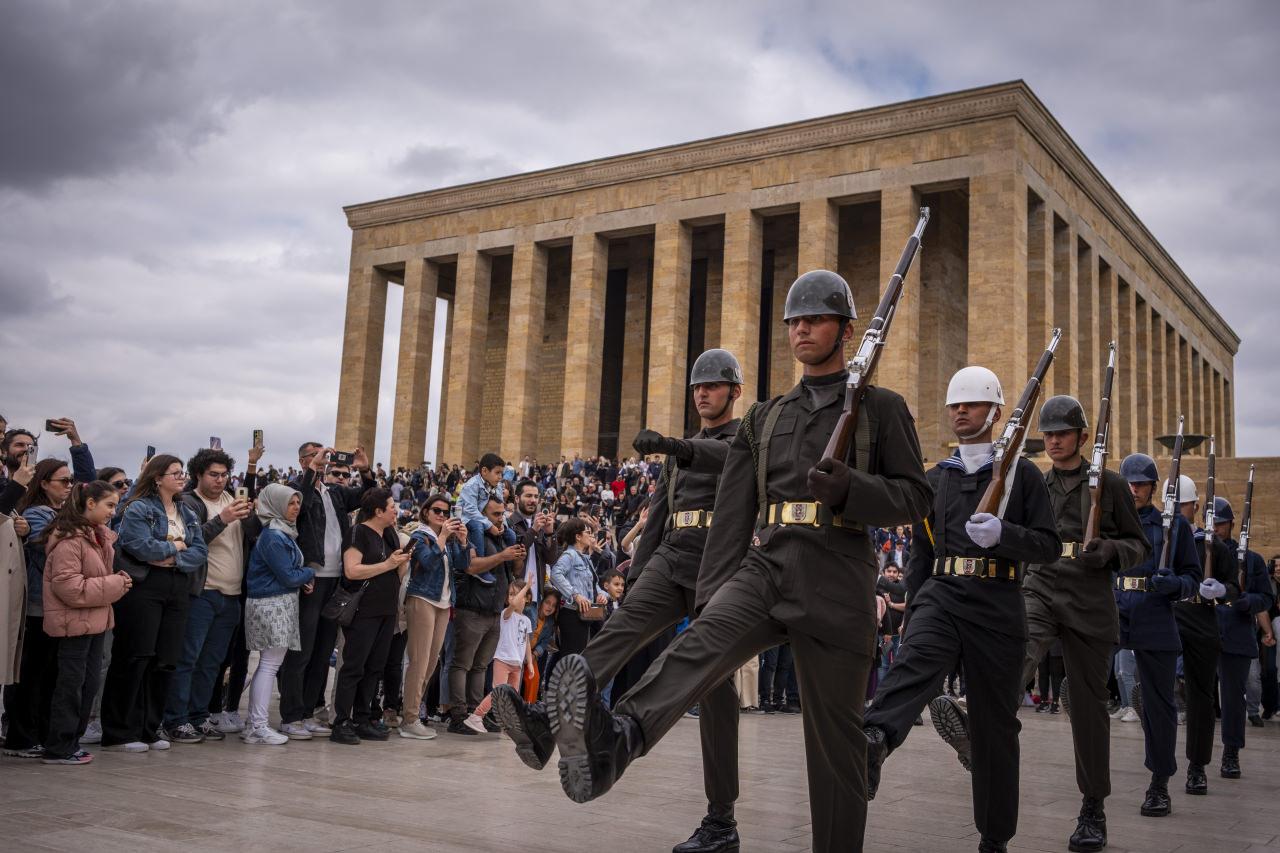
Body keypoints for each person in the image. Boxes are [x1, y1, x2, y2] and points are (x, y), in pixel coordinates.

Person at [539, 269, 932, 853]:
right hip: (768, 563)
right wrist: (712, 592)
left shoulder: (880, 408)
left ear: (846, 331)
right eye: (794, 321)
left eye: (815, 319)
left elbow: (915, 498)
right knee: (693, 649)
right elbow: (732, 510)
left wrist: (852, 488)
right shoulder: (765, 417)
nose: (801, 329)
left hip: (839, 574)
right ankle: (612, 742)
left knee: (836, 749)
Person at [498, 346, 749, 852]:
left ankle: (721, 821)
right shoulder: (682, 452)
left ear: (734, 392)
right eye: (698, 386)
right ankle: (545, 726)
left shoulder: (745, 440)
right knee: (620, 631)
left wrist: (676, 446)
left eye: (714, 386)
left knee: (715, 688)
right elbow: (657, 514)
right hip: (672, 556)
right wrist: (635, 578)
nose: (703, 393)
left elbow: (732, 460)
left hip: (720, 561)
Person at [863, 365, 1060, 853]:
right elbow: (921, 554)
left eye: (971, 404)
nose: (960, 412)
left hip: (999, 601)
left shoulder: (1024, 475)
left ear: (995, 413)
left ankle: (995, 837)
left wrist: (1006, 536)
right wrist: (915, 604)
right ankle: (874, 740)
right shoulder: (937, 479)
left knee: (996, 725)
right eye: (954, 405)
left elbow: (1049, 545)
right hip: (943, 592)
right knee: (915, 663)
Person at [1016, 396, 1149, 852]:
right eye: (1048, 433)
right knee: (1019, 649)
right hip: (1042, 582)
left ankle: (1093, 805)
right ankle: (985, 725)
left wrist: (1112, 552)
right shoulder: (1034, 480)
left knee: (1090, 709)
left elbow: (1139, 544)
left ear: (1083, 437)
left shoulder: (1108, 485)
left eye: (1062, 433)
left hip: (1090, 598)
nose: (1053, 440)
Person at [1113, 454, 1201, 817]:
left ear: (1153, 487)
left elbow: (1192, 578)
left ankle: (1160, 782)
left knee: (1159, 706)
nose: (1134, 488)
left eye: (1141, 483)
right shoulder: (1106, 522)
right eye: (1129, 482)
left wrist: (1175, 585)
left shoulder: (1174, 527)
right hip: (1113, 611)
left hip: (1153, 612)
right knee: (1089, 692)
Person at [102, 455, 209, 752]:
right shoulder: (138, 507)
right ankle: (120, 731)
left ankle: (150, 727)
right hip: (145, 585)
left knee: (166, 659)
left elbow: (200, 550)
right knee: (136, 655)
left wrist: (173, 556)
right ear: (157, 477)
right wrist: (174, 545)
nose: (181, 477)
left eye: (182, 472)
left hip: (178, 584)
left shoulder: (186, 511)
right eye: (175, 473)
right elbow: (139, 546)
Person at [162, 446, 262, 744]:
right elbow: (190, 540)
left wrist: (248, 515)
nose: (220, 480)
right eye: (213, 475)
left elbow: (255, 534)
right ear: (197, 475)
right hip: (201, 592)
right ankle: (176, 719)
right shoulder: (188, 502)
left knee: (213, 662)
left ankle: (199, 715)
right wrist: (223, 518)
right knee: (187, 658)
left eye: (224, 475)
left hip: (231, 595)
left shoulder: (233, 499)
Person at [281, 443, 376, 739]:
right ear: (302, 461)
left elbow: (367, 499)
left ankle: (308, 711)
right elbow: (301, 501)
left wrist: (364, 469)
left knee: (323, 651)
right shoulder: (295, 490)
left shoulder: (334, 492)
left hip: (334, 579)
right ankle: (291, 715)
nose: (323, 460)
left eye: (325, 456)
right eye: (315, 456)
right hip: (312, 577)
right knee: (302, 649)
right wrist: (312, 469)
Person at [40, 481, 133, 764]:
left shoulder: (99, 537)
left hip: (95, 622)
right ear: (90, 503)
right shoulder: (70, 541)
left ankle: (71, 742)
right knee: (71, 685)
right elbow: (69, 587)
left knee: (87, 684)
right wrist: (116, 584)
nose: (112, 512)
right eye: (109, 505)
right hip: (74, 625)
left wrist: (113, 583)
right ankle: (59, 745)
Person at [329, 488, 410, 745]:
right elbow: (352, 571)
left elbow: (396, 572)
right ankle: (341, 721)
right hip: (364, 610)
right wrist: (387, 564)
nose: (395, 510)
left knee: (375, 667)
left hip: (387, 610)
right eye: (391, 506)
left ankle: (363, 719)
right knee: (354, 666)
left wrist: (401, 562)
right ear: (378, 511)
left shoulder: (390, 535)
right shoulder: (358, 532)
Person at [242, 484, 315, 745]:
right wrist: (309, 573)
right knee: (270, 664)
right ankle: (257, 725)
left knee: (270, 664)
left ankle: (255, 724)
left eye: (298, 502)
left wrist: (301, 576)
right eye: (290, 503)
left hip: (278, 602)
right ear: (275, 505)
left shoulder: (283, 532)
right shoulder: (274, 535)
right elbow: (288, 575)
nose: (296, 507)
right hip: (271, 603)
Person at [1174, 478, 1230, 795]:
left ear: (1195, 507)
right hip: (1168, 617)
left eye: (1182, 504)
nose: (1178, 510)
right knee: (1155, 688)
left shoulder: (1212, 546)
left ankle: (1197, 767)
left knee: (1201, 697)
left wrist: (1223, 591)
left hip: (1201, 621)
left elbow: (1233, 588)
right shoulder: (1159, 540)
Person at [399, 494, 469, 740]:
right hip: (422, 599)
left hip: (443, 603)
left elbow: (462, 565)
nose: (442, 515)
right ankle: (409, 718)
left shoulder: (446, 539)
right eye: (437, 511)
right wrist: (441, 537)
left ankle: (414, 712)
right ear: (426, 512)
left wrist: (461, 541)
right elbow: (426, 563)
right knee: (418, 661)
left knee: (430, 663)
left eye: (446, 512)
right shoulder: (420, 536)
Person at [1215, 497, 1274, 779]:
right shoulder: (1203, 553)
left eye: (1221, 524)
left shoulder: (1251, 559)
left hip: (1236, 632)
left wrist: (1245, 601)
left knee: (1233, 698)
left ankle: (1231, 751)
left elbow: (1266, 597)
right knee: (1199, 697)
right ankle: (1197, 759)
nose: (1216, 529)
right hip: (1206, 631)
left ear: (1232, 524)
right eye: (1212, 523)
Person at [464, 579, 535, 733]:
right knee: (497, 693)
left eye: (516, 594)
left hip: (517, 665)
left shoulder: (527, 620)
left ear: (528, 598)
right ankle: (476, 716)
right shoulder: (506, 614)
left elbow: (527, 643)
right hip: (502, 660)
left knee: (512, 697)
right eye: (510, 594)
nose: (512, 598)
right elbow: (515, 604)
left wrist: (529, 663)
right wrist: (527, 587)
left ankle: (509, 724)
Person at [548, 518, 609, 658]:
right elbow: (555, 574)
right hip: (571, 615)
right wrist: (575, 595)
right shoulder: (569, 555)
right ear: (578, 536)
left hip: (584, 615)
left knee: (576, 657)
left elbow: (594, 584)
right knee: (571, 657)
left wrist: (602, 595)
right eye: (587, 532)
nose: (590, 535)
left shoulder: (585, 558)